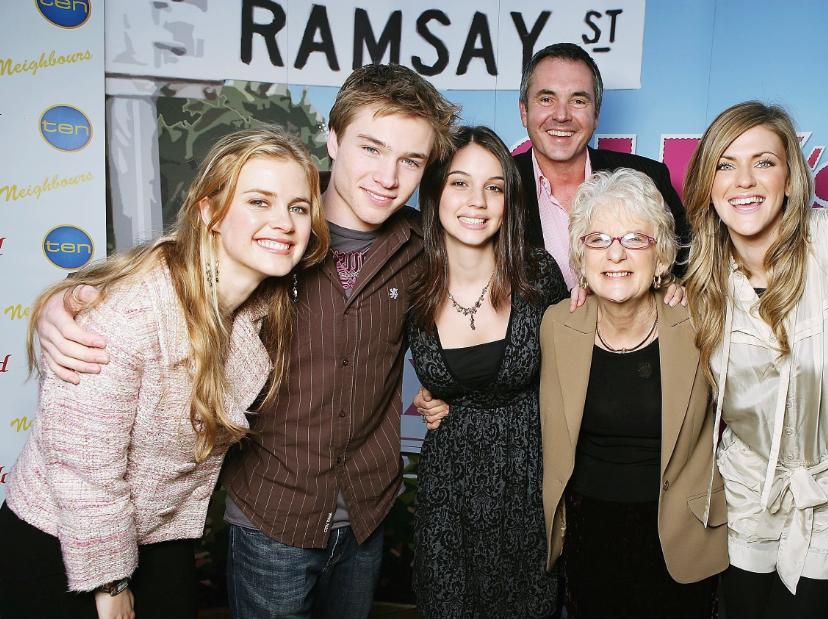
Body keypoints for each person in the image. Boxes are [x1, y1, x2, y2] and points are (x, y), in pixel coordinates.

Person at [31, 64, 460, 617]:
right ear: (332, 139)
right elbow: (173, 265)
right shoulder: (272, 243)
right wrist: (61, 303)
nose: (388, 175)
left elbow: (481, 314)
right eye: (371, 148)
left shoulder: (424, 250)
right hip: (271, 513)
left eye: (411, 160)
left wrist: (452, 392)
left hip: (366, 512)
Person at [0, 128, 328, 619]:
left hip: (159, 534)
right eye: (259, 201)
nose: (283, 222)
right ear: (209, 213)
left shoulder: (254, 308)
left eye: (298, 207)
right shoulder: (131, 311)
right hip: (62, 540)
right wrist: (110, 585)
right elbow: (85, 468)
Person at [680, 102, 828, 618]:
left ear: (792, 178)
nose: (744, 180)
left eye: (764, 162)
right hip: (747, 490)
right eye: (725, 164)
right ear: (708, 184)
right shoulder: (697, 280)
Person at [539, 168, 728, 617]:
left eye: (634, 239)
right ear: (580, 258)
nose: (615, 254)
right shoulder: (556, 324)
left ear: (661, 255)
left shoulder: (701, 322)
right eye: (598, 239)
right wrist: (442, 397)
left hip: (680, 541)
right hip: (589, 537)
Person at [406, 126, 567, 617]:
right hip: (448, 491)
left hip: (527, 485)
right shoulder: (412, 283)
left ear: (508, 201)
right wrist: (424, 396)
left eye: (493, 186)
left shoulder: (538, 275)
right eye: (459, 183)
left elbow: (582, 371)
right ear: (434, 194)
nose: (477, 201)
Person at [515, 42, 691, 287]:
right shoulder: (499, 184)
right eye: (546, 99)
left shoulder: (648, 178)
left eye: (578, 101)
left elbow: (688, 271)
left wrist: (675, 288)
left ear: (596, 114)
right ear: (524, 111)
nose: (561, 115)